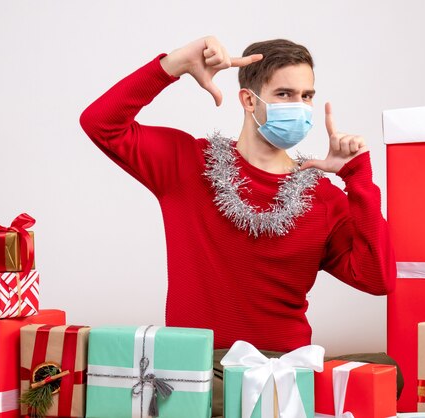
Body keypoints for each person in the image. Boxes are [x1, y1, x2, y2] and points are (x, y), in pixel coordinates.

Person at [80, 36, 399, 416]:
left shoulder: (324, 197)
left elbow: (378, 279)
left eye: (307, 95)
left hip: (285, 366)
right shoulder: (187, 164)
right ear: (249, 100)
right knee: (197, 395)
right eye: (284, 94)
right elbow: (101, 123)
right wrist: (175, 64)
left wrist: (357, 177)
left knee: (384, 372)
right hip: (203, 367)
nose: (299, 107)